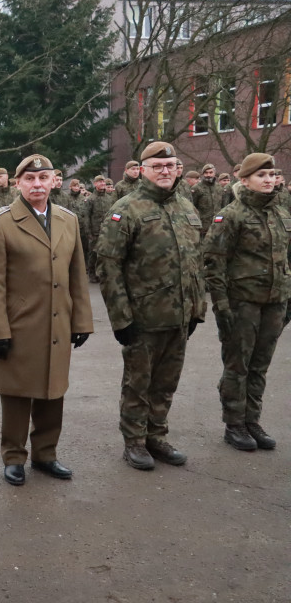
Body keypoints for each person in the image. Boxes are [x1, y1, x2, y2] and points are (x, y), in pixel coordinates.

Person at [0, 154, 93, 486]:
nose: (37, 185)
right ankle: (13, 456)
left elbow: (77, 274)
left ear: (54, 181)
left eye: (43, 178)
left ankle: (46, 453)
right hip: (19, 323)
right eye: (29, 179)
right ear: (18, 183)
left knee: (53, 388)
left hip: (58, 319)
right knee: (16, 393)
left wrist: (81, 320)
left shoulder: (68, 219)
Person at [96, 142, 206, 471]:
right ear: (143, 170)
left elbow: (195, 262)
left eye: (170, 166)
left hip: (179, 315)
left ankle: (156, 435)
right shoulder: (126, 209)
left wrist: (196, 308)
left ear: (178, 169)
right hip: (143, 317)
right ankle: (134, 441)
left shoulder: (186, 207)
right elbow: (108, 266)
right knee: (138, 383)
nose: (165, 172)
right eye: (157, 167)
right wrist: (121, 319)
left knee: (166, 382)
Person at [201, 153, 290, 452]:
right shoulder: (231, 215)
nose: (269, 180)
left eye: (272, 175)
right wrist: (221, 305)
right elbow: (214, 262)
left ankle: (252, 420)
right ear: (245, 179)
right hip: (243, 302)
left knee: (260, 364)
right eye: (262, 175)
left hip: (275, 301)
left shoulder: (281, 213)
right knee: (238, 364)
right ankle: (234, 423)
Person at [192, 163, 223, 239]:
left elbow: (223, 207)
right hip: (203, 228)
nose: (208, 175)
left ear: (214, 173)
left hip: (218, 225)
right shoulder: (196, 188)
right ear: (203, 174)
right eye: (206, 173)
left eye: (210, 172)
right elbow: (192, 208)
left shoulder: (219, 188)